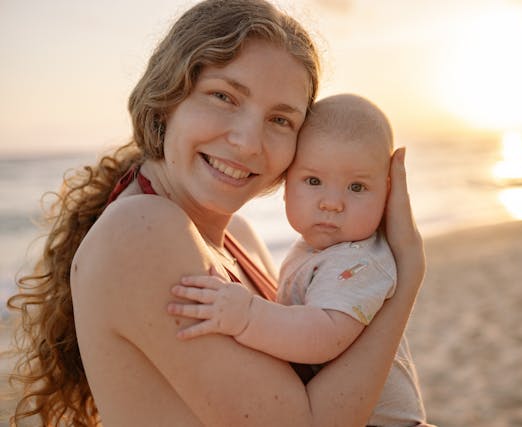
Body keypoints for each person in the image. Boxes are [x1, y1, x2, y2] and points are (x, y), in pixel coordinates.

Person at [6, 1, 428, 426]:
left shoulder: (237, 237)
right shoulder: (140, 233)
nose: (247, 142)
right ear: (168, 94)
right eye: (224, 96)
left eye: (280, 119)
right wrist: (406, 275)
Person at [168, 93, 427, 426]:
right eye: (314, 181)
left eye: (357, 187)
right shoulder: (317, 250)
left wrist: (247, 316)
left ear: (389, 193)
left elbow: (323, 337)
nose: (332, 203)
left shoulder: (359, 263)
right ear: (286, 182)